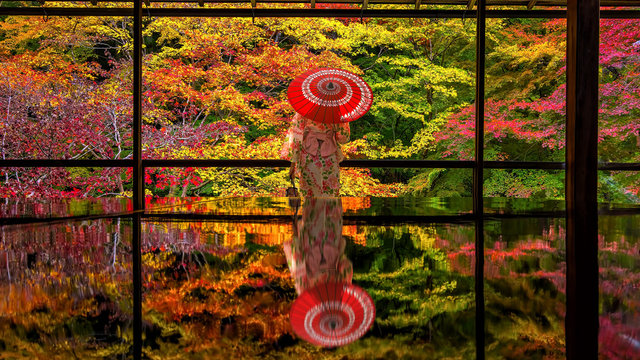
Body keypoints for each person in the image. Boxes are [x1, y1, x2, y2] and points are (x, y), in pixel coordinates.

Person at [281, 112, 350, 197]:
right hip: (330, 155)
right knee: (330, 193)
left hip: (309, 155)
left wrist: (293, 163)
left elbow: (296, 137)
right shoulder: (336, 112)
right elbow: (343, 138)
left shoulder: (304, 110)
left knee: (310, 195)